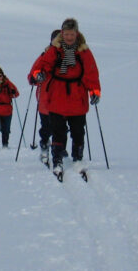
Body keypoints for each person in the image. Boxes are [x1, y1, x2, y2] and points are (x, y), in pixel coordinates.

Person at [28, 18, 101, 172]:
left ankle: (78, 159)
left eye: (72, 34)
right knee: (58, 131)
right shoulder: (54, 50)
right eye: (66, 34)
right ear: (63, 33)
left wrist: (95, 92)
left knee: (78, 131)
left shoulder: (84, 51)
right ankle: (57, 159)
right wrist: (38, 75)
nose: (69, 37)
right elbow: (42, 66)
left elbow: (91, 73)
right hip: (57, 96)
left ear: (76, 33)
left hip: (77, 97)